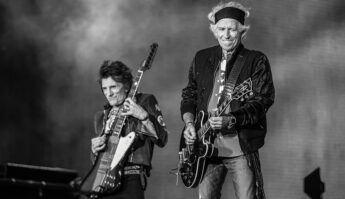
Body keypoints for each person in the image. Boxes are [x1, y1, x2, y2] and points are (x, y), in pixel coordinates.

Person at [180, 1, 275, 199]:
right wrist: (189, 124)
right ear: (214, 31)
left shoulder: (256, 60)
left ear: (242, 31)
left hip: (239, 148)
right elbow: (189, 94)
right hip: (205, 150)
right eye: (221, 29)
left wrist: (231, 119)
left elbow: (261, 102)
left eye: (232, 29)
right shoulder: (201, 57)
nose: (226, 34)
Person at [91, 60, 168, 199]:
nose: (109, 93)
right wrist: (94, 150)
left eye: (113, 87)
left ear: (126, 86)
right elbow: (96, 162)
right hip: (102, 182)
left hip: (130, 179)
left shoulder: (145, 101)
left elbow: (162, 139)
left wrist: (143, 116)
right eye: (105, 88)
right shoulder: (100, 117)